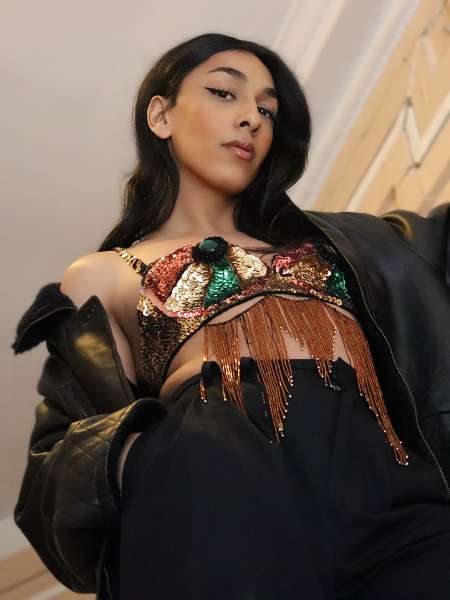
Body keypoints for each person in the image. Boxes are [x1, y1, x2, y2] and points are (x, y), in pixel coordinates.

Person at [11, 32, 450, 600]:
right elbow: (62, 450)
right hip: (221, 454)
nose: (251, 119)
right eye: (225, 93)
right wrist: (151, 460)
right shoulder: (103, 272)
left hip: (384, 459)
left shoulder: (342, 242)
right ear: (161, 116)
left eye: (268, 110)